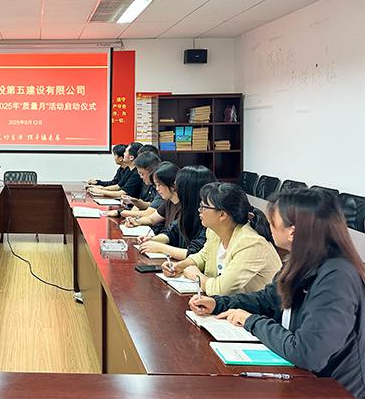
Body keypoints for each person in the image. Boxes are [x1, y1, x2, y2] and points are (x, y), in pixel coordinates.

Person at [188, 189, 365, 398]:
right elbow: (267, 299)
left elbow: (307, 352)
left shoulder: (337, 277)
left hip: (332, 389)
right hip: (298, 376)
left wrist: (251, 321)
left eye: (273, 222)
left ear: (292, 232)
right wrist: (219, 304)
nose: (267, 225)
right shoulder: (300, 261)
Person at [161, 182, 282, 295]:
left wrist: (196, 275)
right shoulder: (214, 231)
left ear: (222, 214)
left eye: (203, 207)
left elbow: (221, 290)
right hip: (230, 303)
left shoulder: (251, 243)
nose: (199, 211)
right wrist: (180, 266)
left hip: (257, 309)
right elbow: (204, 256)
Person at [136, 165, 217, 260]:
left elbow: (196, 253)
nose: (175, 190)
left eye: (178, 187)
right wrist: (153, 239)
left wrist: (160, 247)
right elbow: (172, 232)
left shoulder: (208, 217)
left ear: (189, 191)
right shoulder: (187, 209)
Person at [123, 161, 179, 232]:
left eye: (159, 185)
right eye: (156, 185)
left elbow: (171, 235)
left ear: (172, 185)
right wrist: (136, 221)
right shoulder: (168, 202)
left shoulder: (184, 207)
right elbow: (151, 219)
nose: (157, 189)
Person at [109, 151, 163, 219]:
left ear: (151, 172)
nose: (141, 177)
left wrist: (120, 212)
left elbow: (149, 213)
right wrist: (134, 201)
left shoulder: (161, 187)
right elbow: (149, 204)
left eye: (142, 174)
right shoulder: (150, 185)